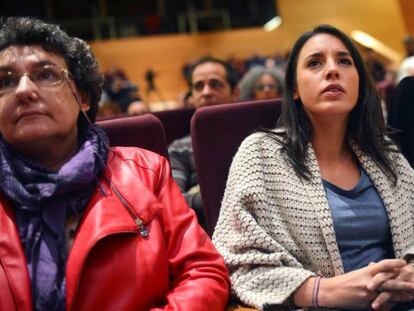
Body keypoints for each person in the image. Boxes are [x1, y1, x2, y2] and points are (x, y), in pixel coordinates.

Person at [0, 17, 230, 311]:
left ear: (82, 97)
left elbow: (203, 272)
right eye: (5, 80)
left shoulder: (145, 171)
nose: (23, 90)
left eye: (45, 75)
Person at [213, 24, 414, 311]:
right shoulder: (260, 153)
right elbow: (233, 261)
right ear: (295, 89)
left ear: (359, 81)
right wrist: (319, 290)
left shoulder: (386, 153)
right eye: (315, 63)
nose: (332, 70)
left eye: (344, 61)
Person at [168, 56, 239, 228]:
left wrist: (201, 192)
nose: (206, 92)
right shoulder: (179, 148)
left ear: (235, 93)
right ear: (192, 96)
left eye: (215, 84)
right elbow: (175, 203)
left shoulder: (255, 138)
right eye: (199, 86)